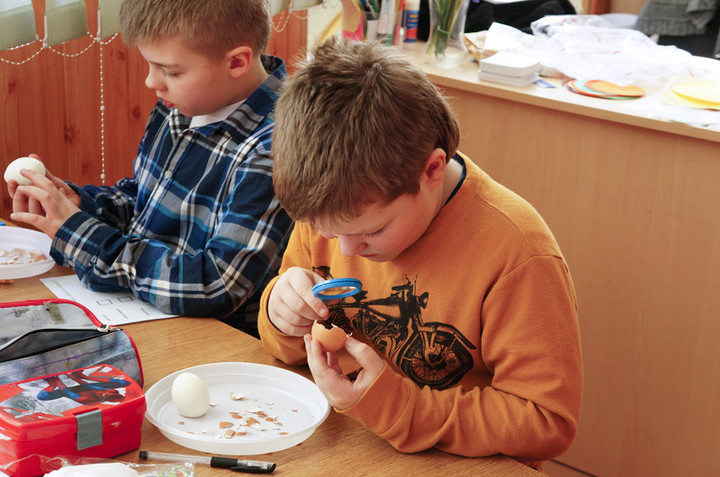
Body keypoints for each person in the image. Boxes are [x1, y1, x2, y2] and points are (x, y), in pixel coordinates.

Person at [258, 38, 582, 468]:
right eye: (327, 232)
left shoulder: (517, 253)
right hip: (350, 450)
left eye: (372, 230)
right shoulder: (336, 209)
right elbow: (292, 349)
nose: (347, 249)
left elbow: (546, 421)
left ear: (431, 170)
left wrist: (398, 408)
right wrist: (281, 314)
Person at [7, 0, 293, 336]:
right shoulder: (185, 104)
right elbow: (146, 203)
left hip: (215, 341)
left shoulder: (273, 149)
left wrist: (81, 234)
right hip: (147, 314)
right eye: (150, 65)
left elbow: (216, 284)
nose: (150, 82)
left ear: (237, 62)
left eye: (170, 71)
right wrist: (81, 205)